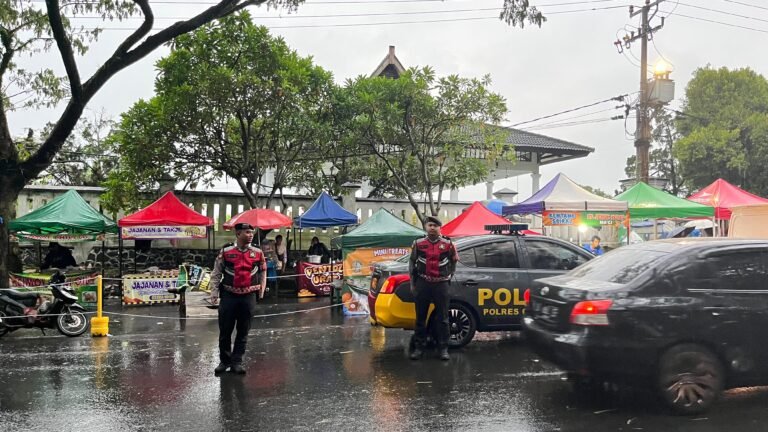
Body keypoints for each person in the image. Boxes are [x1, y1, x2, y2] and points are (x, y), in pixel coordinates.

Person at [209, 223, 267, 376]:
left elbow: (263, 271)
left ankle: (237, 362)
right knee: (225, 331)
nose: (250, 235)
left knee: (243, 331)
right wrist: (214, 292)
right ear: (238, 234)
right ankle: (225, 361)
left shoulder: (257, 252)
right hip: (229, 296)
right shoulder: (226, 251)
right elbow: (216, 273)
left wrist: (261, 289)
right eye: (247, 232)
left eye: (252, 232)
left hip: (248, 297)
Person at [408, 216, 458, 361]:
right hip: (423, 283)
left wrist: (449, 276)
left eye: (435, 225)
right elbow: (412, 262)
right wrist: (413, 284)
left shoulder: (448, 244)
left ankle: (443, 349)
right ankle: (419, 348)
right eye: (430, 225)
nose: (432, 228)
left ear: (439, 228)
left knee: (443, 318)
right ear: (425, 227)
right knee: (420, 318)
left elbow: (454, 261)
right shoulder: (418, 243)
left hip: (441, 284)